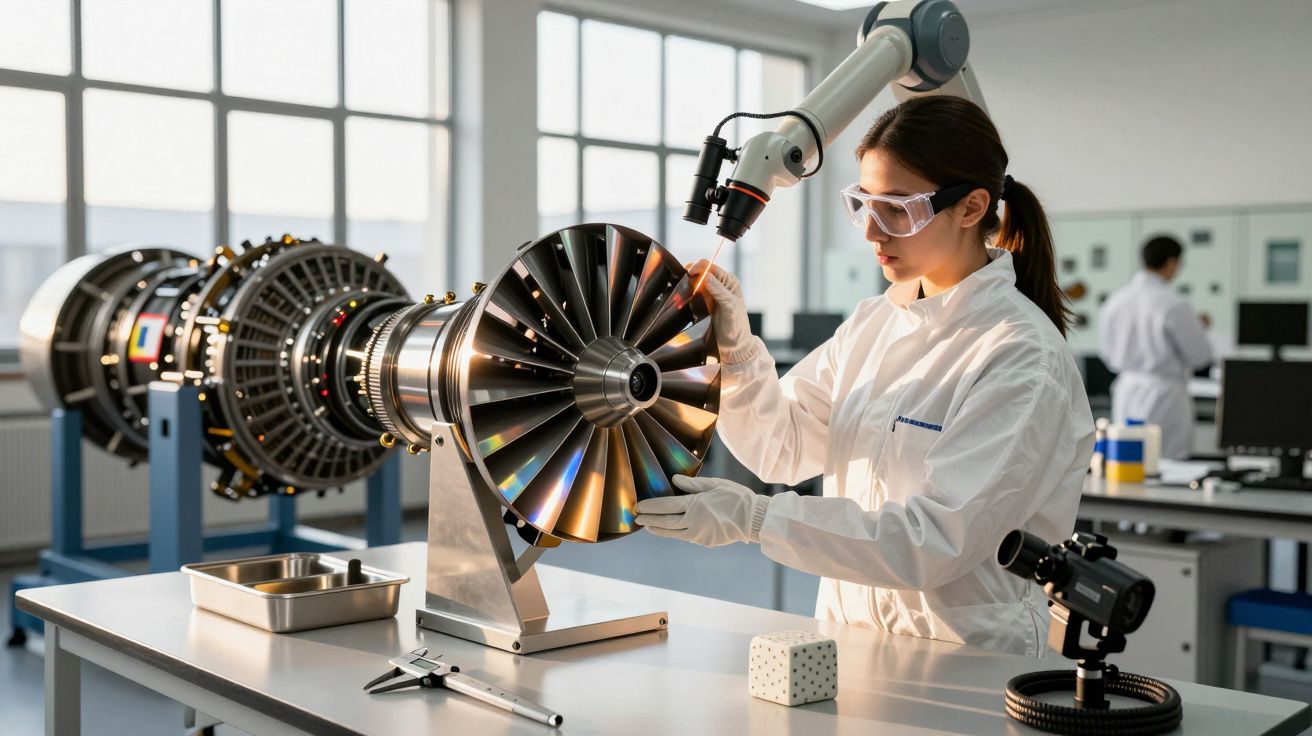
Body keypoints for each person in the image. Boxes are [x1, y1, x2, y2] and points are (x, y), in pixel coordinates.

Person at [633, 96, 1095, 658]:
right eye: (864, 204)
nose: (873, 232)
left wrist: (756, 518)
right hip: (849, 642)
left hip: (963, 660)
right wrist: (734, 347)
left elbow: (933, 542)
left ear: (972, 207)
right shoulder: (874, 323)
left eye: (899, 209)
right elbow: (784, 449)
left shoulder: (1021, 357)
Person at [1098, 235, 1213, 459]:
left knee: (1126, 462)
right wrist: (1198, 328)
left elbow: (1107, 352)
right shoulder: (1173, 303)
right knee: (1166, 466)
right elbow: (1199, 356)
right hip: (1165, 394)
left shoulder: (1116, 300)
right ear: (1172, 262)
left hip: (1127, 390)